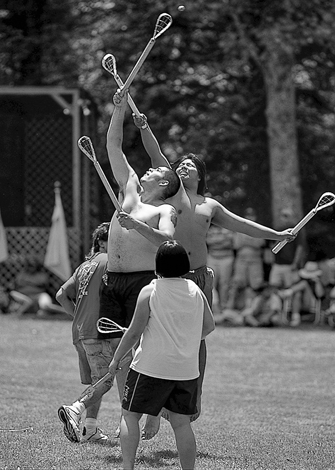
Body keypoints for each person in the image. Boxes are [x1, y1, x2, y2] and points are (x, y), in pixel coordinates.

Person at [133, 112, 295, 437]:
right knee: (156, 336)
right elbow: (156, 156)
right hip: (168, 276)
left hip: (199, 279)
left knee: (198, 340)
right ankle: (153, 410)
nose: (182, 167)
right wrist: (145, 127)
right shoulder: (173, 194)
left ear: (200, 175)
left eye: (189, 166)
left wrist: (277, 235)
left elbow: (243, 225)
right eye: (180, 165)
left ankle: (189, 402)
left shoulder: (211, 205)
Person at [57, 88, 180, 443]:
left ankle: (148, 410)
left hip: (142, 282)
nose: (150, 168)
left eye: (156, 170)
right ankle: (126, 413)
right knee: (117, 356)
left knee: (137, 354)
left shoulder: (162, 210)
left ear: (164, 184)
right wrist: (119, 107)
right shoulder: (129, 190)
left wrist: (137, 225)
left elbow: (168, 244)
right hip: (112, 282)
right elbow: (113, 145)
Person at [108, 240, 215, 470]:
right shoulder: (195, 290)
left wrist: (116, 359)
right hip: (186, 371)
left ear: (157, 267)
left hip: (150, 367)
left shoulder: (151, 290)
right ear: (185, 266)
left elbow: (134, 332)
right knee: (181, 423)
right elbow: (208, 327)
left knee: (130, 415)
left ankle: (128, 467)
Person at [56, 222, 123, 443]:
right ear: (103, 242)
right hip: (97, 330)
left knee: (97, 381)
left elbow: (60, 295)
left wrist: (78, 315)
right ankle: (75, 409)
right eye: (115, 239)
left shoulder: (84, 266)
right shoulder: (108, 261)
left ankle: (90, 429)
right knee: (105, 379)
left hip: (80, 331)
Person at [225, 207, 266, 312]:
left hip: (255, 260)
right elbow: (237, 244)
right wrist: (251, 240)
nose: (250, 217)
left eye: (252, 215)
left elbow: (260, 243)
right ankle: (231, 308)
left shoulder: (259, 228)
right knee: (238, 283)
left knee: (255, 284)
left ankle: (252, 309)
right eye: (248, 215)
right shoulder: (239, 228)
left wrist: (246, 241)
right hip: (241, 260)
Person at [206, 224, 235, 315]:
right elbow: (208, 241)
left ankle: (223, 307)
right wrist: (222, 240)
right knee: (211, 282)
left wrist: (216, 241)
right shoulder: (210, 229)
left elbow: (230, 243)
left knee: (225, 283)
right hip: (212, 257)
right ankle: (213, 307)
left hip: (226, 258)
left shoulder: (228, 228)